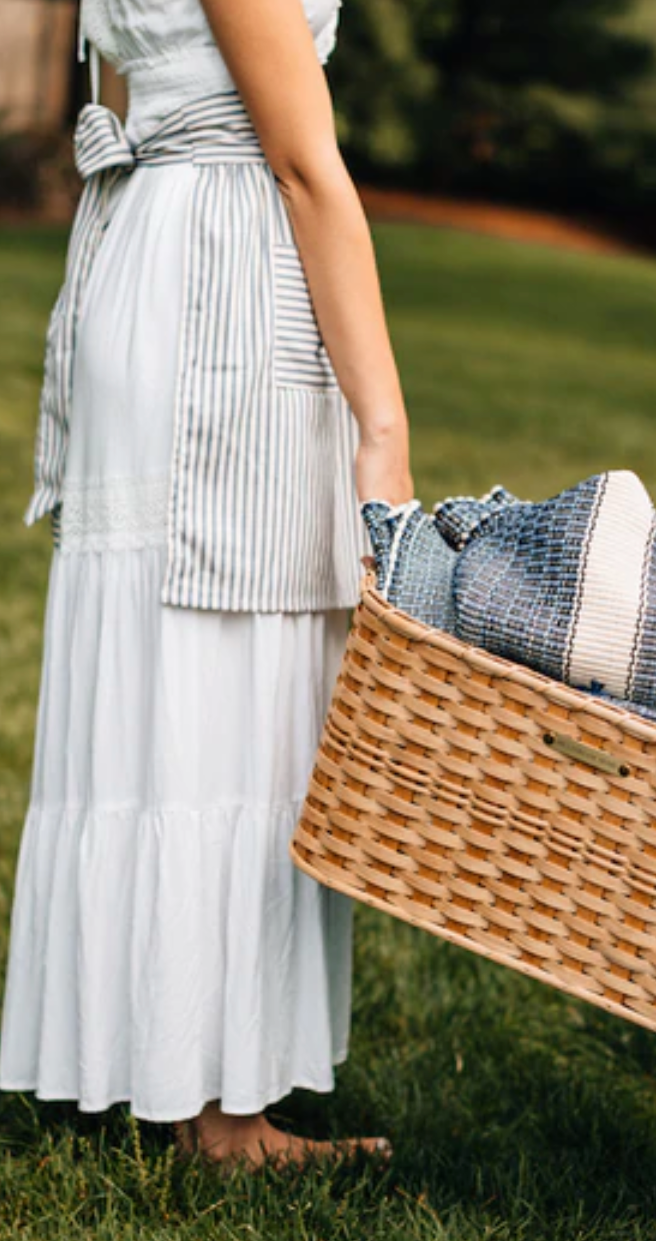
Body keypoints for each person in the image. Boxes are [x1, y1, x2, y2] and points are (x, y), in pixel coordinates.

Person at [0, 0, 413, 1167]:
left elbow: (130, 80)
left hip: (159, 250)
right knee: (217, 682)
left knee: (176, 678)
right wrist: (383, 428)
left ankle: (166, 1060)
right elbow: (300, 158)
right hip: (219, 279)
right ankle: (220, 1116)